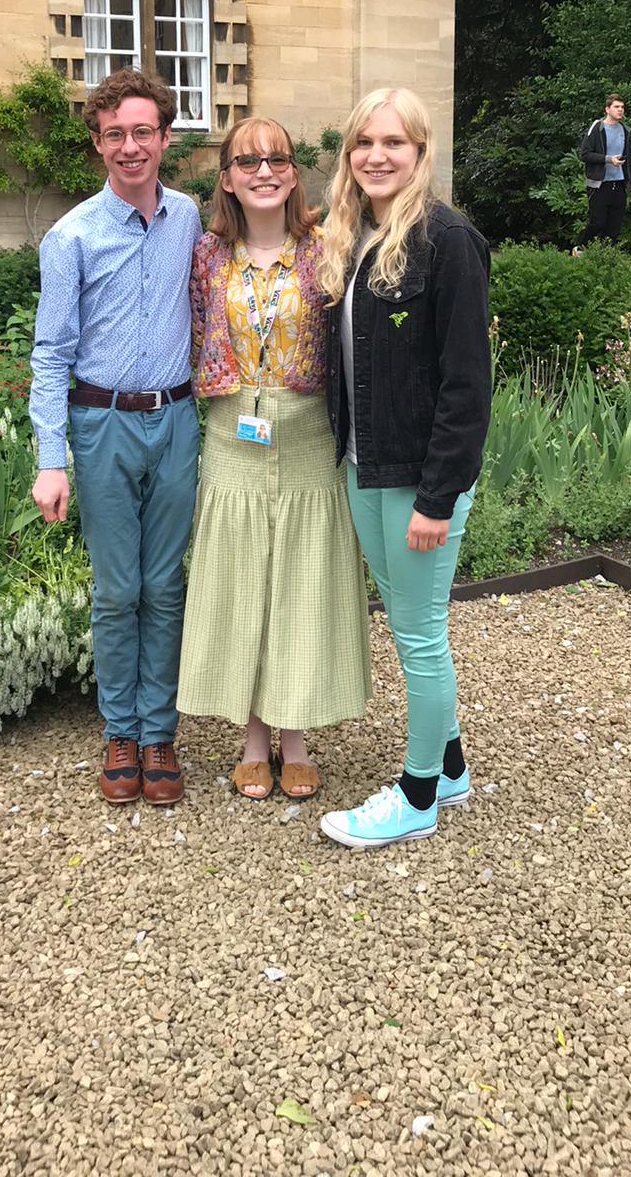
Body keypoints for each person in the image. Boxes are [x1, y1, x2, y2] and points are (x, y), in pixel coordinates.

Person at [317, 88, 492, 849]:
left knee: (419, 635)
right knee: (410, 628)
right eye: (364, 142)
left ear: (421, 152)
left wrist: (437, 497)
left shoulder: (447, 241)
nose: (376, 156)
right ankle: (448, 764)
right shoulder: (355, 235)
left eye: (394, 142)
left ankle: (417, 796)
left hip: (421, 478)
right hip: (366, 464)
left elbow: (466, 384)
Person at [178, 120, 370, 800]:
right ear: (226, 177)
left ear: (294, 174)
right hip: (234, 437)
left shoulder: (328, 250)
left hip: (309, 436)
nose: (264, 169)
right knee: (243, 588)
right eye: (247, 159)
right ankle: (252, 740)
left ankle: (296, 737)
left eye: (277, 158)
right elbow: (196, 335)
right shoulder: (206, 255)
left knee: (300, 586)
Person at [29, 68, 202, 807]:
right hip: (101, 424)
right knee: (118, 588)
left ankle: (159, 731)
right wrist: (50, 460)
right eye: (114, 135)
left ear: (165, 138)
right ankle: (120, 732)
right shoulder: (71, 236)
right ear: (98, 144)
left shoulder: (191, 217)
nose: (129, 147)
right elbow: (50, 353)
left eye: (142, 133)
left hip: (176, 422)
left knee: (164, 585)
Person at [572, 92, 631, 254]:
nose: (620, 110)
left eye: (622, 107)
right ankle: (579, 248)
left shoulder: (625, 130)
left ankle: (603, 256)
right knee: (598, 222)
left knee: (614, 226)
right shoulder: (597, 128)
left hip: (618, 183)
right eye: (616, 107)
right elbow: (585, 154)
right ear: (607, 109)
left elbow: (629, 159)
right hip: (598, 183)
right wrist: (609, 159)